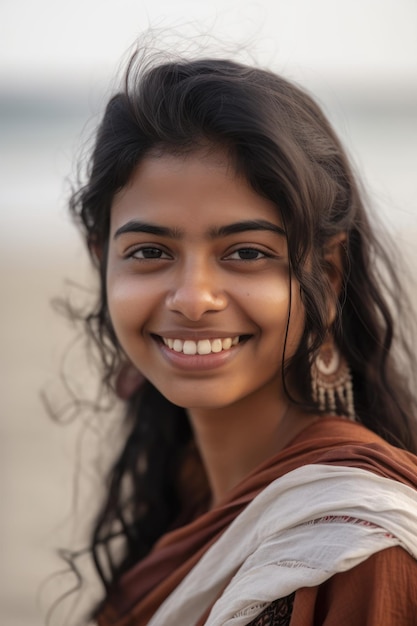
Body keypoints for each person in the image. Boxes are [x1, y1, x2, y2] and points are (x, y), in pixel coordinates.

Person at [68, 49, 417, 625]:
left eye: (247, 253)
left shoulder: (357, 547)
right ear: (101, 261)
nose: (192, 298)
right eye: (150, 252)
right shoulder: (184, 494)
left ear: (326, 277)